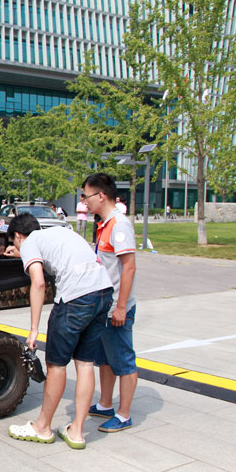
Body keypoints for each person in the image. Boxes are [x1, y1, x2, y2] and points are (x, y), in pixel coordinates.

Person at [5, 213, 113, 449]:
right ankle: (76, 432)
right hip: (103, 291)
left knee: (56, 365)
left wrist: (33, 330)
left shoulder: (30, 242)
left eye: (13, 242)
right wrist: (21, 253)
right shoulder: (60, 232)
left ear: (18, 236)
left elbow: (39, 283)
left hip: (76, 299)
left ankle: (42, 427)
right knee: (84, 363)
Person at [82, 173, 138, 433]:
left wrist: (120, 307)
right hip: (105, 306)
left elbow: (128, 268)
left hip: (117, 307)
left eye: (87, 196)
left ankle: (124, 415)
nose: (84, 202)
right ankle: (105, 404)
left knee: (123, 360)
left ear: (101, 195)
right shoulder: (104, 224)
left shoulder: (119, 225)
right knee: (104, 358)